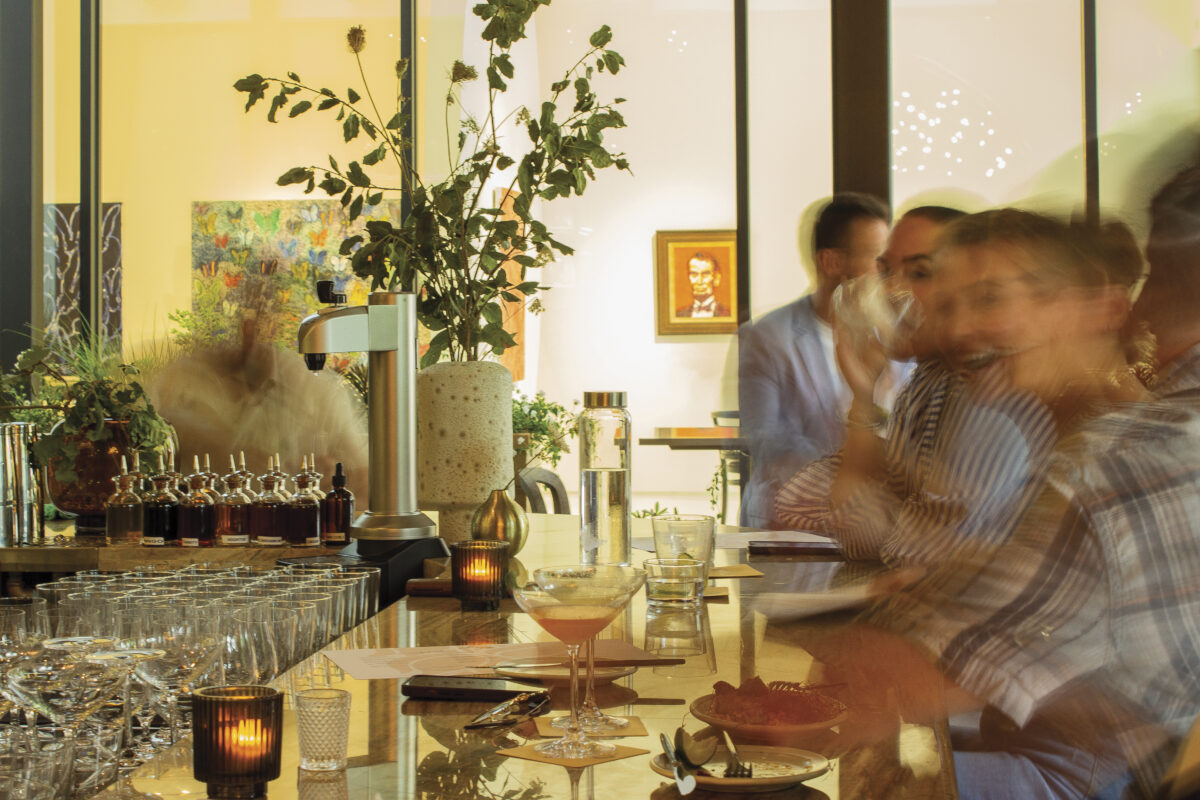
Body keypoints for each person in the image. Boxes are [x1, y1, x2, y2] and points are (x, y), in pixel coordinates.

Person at [801, 198, 1200, 799]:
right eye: (952, 303)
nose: (961, 329)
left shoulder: (1114, 463)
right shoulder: (1096, 442)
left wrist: (767, 660)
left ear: (1097, 303)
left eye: (991, 298)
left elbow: (910, 670)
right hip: (1057, 757)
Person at [738, 192, 901, 528]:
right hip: (789, 525)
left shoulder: (898, 338)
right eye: (878, 260)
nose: (887, 275)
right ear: (831, 262)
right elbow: (767, 440)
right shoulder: (768, 336)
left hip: (877, 521)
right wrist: (859, 461)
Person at [675, 251, 731, 318]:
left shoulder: (729, 314)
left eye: (705, 274)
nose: (699, 281)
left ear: (716, 279)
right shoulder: (678, 315)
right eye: (694, 274)